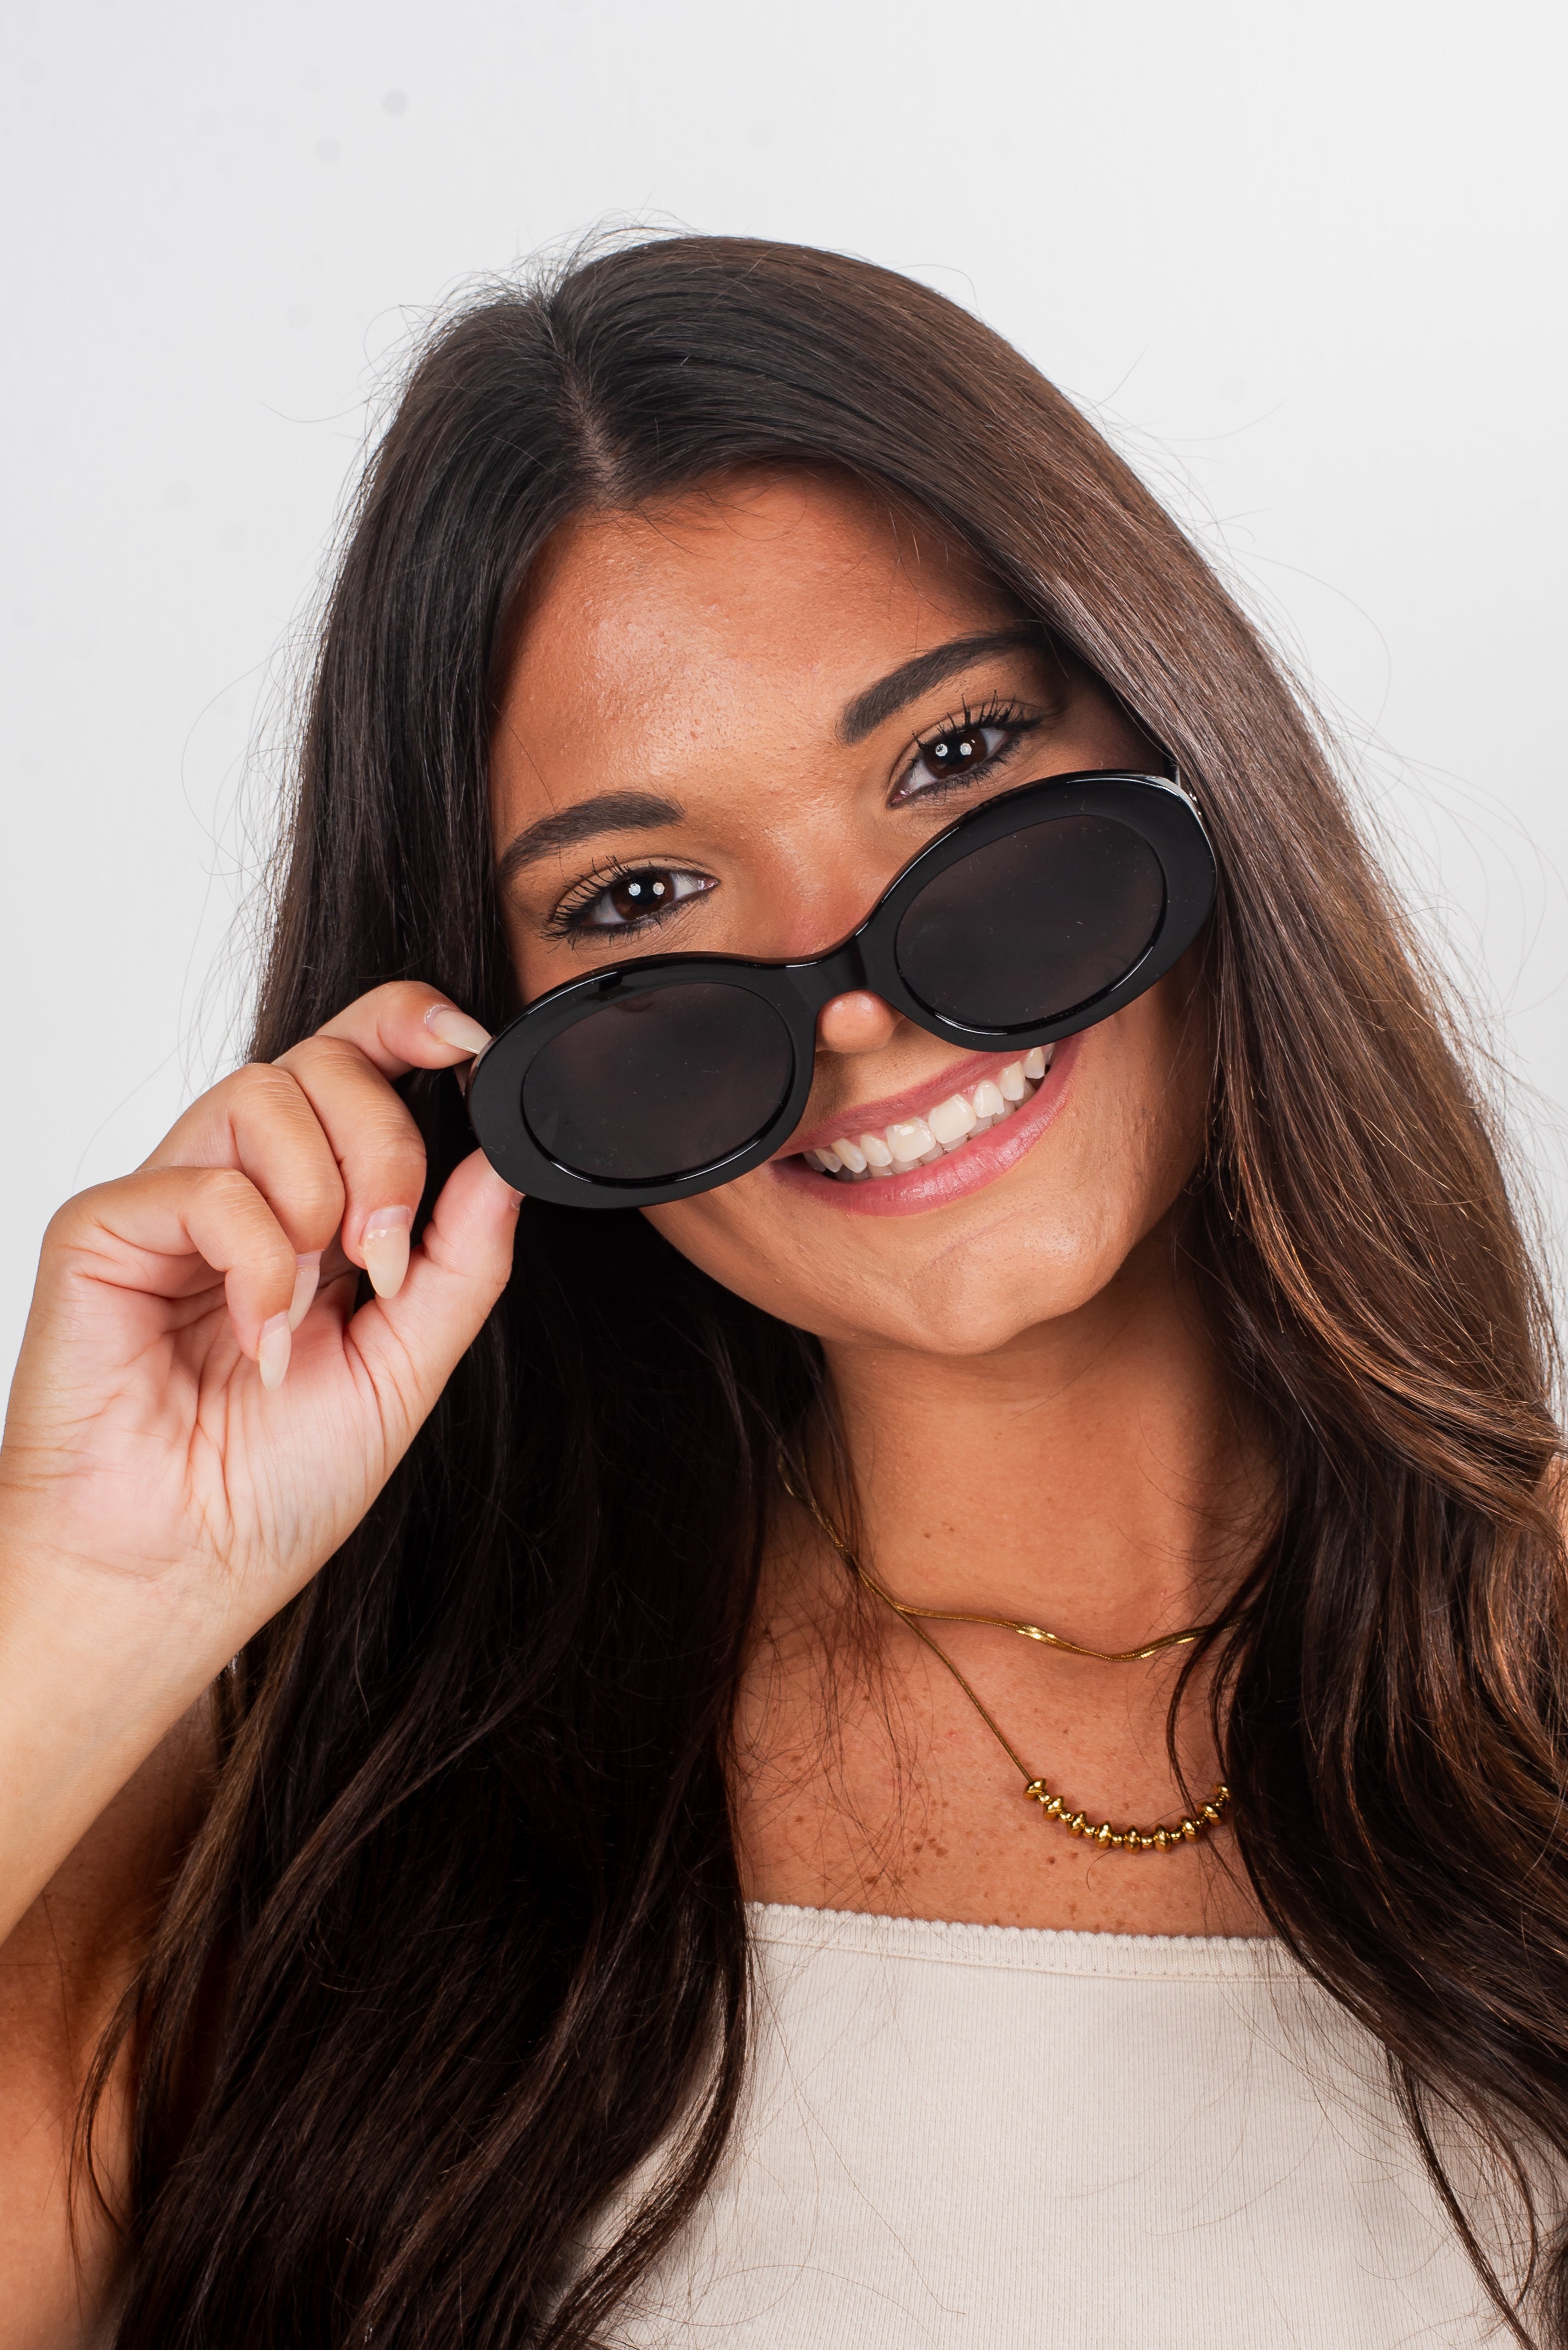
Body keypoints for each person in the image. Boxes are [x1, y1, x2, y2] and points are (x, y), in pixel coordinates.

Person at [1, 233, 1564, 2350]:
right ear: (488, 1055)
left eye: (950, 762)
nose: (857, 1012)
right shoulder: (304, 1801)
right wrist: (85, 1602)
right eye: (643, 896)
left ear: (1189, 751)